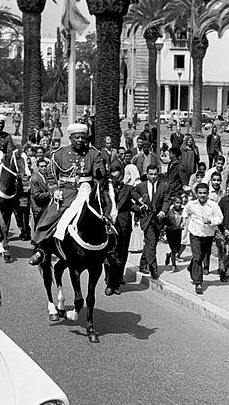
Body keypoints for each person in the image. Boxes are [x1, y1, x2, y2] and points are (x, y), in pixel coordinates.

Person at [30, 123, 104, 260]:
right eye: (77, 138)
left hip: (86, 191)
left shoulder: (94, 154)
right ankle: (42, 249)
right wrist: (53, 190)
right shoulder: (60, 154)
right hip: (65, 192)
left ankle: (108, 252)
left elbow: (99, 177)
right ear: (70, 138)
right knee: (50, 216)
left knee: (104, 218)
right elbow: (51, 175)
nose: (80, 140)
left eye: (83, 137)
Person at [183, 182, 223, 292]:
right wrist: (183, 221)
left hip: (208, 235)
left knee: (202, 256)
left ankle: (192, 267)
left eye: (204, 193)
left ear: (208, 194)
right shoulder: (192, 204)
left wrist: (211, 221)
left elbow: (220, 218)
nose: (202, 195)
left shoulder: (213, 205)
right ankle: (198, 283)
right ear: (196, 193)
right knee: (197, 257)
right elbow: (185, 211)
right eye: (200, 193)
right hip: (195, 234)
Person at [132, 164, 170, 278]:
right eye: (151, 174)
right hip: (147, 219)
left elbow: (167, 201)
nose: (153, 177)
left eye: (155, 174)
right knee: (152, 244)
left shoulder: (164, 186)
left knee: (150, 243)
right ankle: (153, 268)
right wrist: (139, 200)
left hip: (158, 219)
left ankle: (143, 264)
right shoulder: (140, 186)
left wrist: (163, 211)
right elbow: (132, 193)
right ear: (147, 174)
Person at [104, 164, 135, 295]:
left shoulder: (128, 189)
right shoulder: (106, 189)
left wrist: (142, 206)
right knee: (110, 254)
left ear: (122, 175)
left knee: (122, 255)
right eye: (113, 177)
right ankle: (109, 283)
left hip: (124, 226)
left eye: (119, 177)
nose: (117, 180)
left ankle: (117, 283)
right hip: (110, 226)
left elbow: (133, 204)